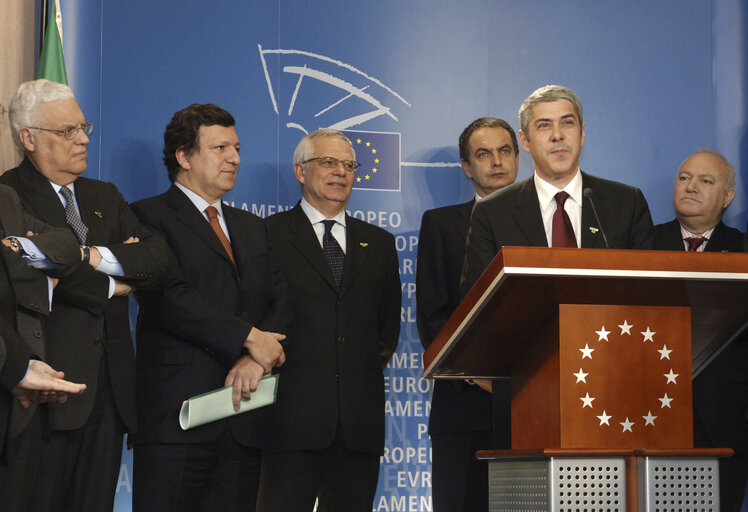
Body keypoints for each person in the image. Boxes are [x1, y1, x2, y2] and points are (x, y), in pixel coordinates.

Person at [0, 79, 170, 511]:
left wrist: (86, 255)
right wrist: (115, 280)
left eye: (83, 127)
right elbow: (28, 267)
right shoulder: (9, 196)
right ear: (29, 138)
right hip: (44, 391)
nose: (82, 139)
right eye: (67, 131)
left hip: (109, 394)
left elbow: (156, 259)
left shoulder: (104, 195)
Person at [129, 103, 291, 512]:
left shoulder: (252, 227)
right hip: (176, 418)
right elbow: (168, 296)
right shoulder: (146, 216)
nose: (234, 158)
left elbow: (281, 299)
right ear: (184, 157)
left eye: (236, 148)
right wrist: (248, 338)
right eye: (220, 148)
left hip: (244, 417)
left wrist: (256, 361)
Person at [255, 129, 401, 512]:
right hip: (287, 422)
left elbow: (386, 333)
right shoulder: (267, 235)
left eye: (349, 165)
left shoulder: (380, 243)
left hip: (358, 426)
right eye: (328, 162)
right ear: (301, 171)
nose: (341, 172)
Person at [460, 85, 655, 295]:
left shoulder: (626, 203)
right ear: (525, 140)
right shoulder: (493, 212)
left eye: (567, 123)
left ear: (582, 133)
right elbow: (477, 302)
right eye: (544, 126)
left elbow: (651, 291)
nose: (557, 135)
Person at [416, 117, 518, 511]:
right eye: (483, 154)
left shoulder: (548, 223)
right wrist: (476, 375)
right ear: (466, 166)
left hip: (535, 403)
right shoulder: (440, 225)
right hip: (462, 403)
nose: (496, 161)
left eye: (505, 151)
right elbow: (432, 314)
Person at [653, 148, 747, 511]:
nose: (691, 187)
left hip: (726, 422)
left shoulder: (742, 251)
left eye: (705, 181)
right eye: (684, 177)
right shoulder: (641, 243)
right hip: (649, 417)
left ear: (727, 198)